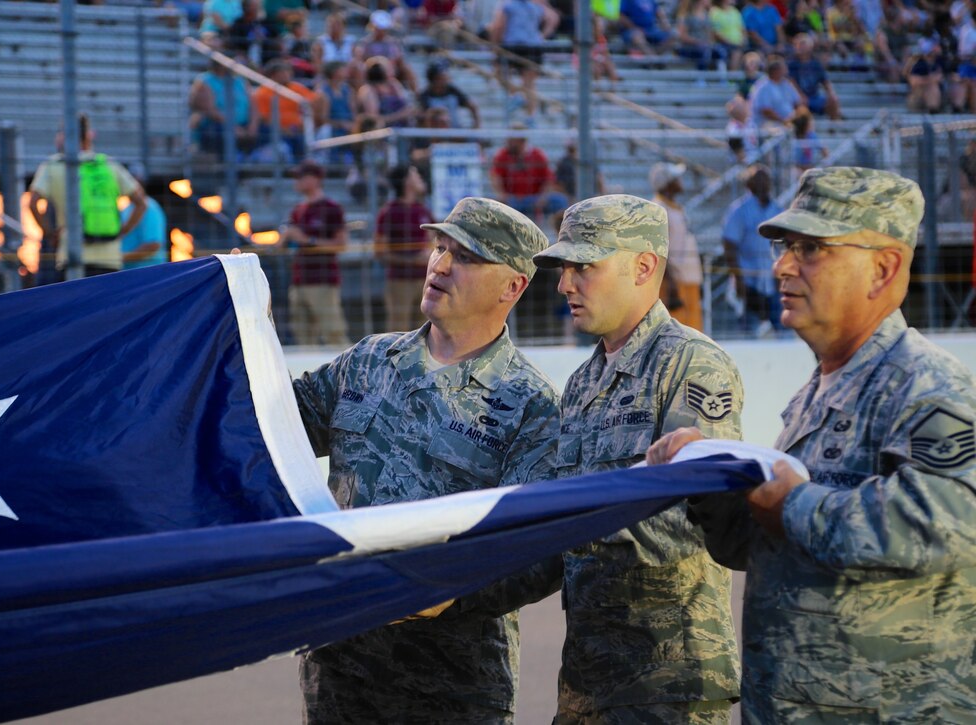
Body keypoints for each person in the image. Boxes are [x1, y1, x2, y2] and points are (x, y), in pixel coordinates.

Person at [648, 166, 976, 723]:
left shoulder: (926, 387)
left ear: (883, 267)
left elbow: (949, 523)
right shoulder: (816, 392)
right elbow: (765, 549)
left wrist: (794, 504)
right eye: (784, 247)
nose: (781, 265)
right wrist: (709, 481)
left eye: (811, 248)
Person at [297, 197, 560, 723]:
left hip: (452, 681)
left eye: (465, 257)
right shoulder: (369, 360)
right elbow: (270, 430)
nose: (439, 265)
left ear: (513, 287)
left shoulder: (530, 404)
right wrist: (236, 324)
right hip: (339, 665)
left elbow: (540, 551)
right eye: (439, 247)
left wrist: (448, 597)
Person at [532, 195, 742, 723]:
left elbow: (693, 518)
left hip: (670, 683)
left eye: (584, 266)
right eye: (564, 268)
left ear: (644, 266)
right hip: (588, 682)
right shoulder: (581, 383)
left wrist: (566, 519)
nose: (564, 284)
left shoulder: (692, 365)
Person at [28, 113, 145, 279]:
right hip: (110, 259)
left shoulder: (54, 165)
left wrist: (50, 234)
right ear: (89, 135)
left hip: (72, 255)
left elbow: (32, 203)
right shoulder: (109, 164)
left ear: (65, 135)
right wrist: (122, 231)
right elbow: (141, 203)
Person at [282, 160, 348, 346]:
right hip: (299, 280)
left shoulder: (331, 208)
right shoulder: (298, 210)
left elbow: (340, 245)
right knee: (302, 337)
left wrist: (306, 240)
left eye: (300, 177)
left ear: (315, 179)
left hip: (322, 281)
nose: (296, 181)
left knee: (333, 334)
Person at [722, 164, 783, 335]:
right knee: (750, 331)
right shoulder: (739, 211)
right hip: (749, 282)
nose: (763, 184)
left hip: (772, 281)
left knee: (781, 332)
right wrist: (738, 278)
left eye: (766, 180)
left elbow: (783, 244)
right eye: (759, 180)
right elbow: (729, 244)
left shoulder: (777, 209)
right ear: (749, 184)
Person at [374, 164, 433, 332]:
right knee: (398, 332)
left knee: (426, 331)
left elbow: (433, 243)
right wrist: (413, 260)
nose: (420, 178)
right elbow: (380, 251)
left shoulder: (423, 210)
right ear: (406, 181)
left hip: (425, 280)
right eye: (415, 174)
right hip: (399, 281)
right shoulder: (389, 212)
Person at [651, 162, 704, 330]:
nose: (680, 181)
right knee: (676, 334)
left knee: (693, 332)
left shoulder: (676, 208)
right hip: (673, 282)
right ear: (667, 183)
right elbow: (657, 249)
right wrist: (670, 281)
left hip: (688, 278)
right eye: (676, 178)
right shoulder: (658, 209)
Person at [489, 0, 559, 117]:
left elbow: (498, 26)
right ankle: (530, 118)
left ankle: (517, 96)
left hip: (513, 46)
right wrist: (542, 36)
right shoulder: (535, 5)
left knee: (498, 73)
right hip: (533, 47)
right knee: (530, 85)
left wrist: (495, 47)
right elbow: (553, 17)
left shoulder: (508, 5)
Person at [490, 126, 569, 222]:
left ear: (521, 141)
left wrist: (543, 197)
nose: (508, 142)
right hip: (512, 199)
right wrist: (501, 194)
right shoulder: (503, 154)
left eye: (512, 140)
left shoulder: (537, 155)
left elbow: (549, 179)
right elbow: (495, 176)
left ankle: (562, 232)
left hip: (534, 199)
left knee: (560, 201)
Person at [188, 57, 259, 157]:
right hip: (217, 125)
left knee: (265, 131)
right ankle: (230, 163)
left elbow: (253, 106)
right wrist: (233, 127)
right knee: (224, 134)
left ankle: (251, 160)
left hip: (243, 126)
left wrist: (253, 126)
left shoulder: (241, 80)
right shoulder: (204, 81)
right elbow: (210, 110)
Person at [253, 58, 319, 160]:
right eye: (283, 72)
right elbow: (264, 118)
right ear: (273, 75)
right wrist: (283, 129)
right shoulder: (263, 92)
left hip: (298, 129)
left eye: (288, 72)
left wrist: (306, 123)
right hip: (275, 131)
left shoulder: (296, 87)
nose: (288, 75)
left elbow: (313, 101)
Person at [120, 166, 168, 270]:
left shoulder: (151, 208)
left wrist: (120, 258)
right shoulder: (126, 208)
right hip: (129, 274)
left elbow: (153, 245)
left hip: (147, 275)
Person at [787, 33, 842, 120]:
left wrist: (831, 94)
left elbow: (825, 81)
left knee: (833, 101)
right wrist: (800, 95)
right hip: (798, 97)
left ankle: (834, 129)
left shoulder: (816, 64)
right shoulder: (792, 64)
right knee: (800, 103)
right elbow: (791, 82)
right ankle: (804, 129)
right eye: (800, 44)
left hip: (814, 96)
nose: (802, 47)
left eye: (804, 44)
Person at [418, 62, 481, 129]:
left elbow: (472, 106)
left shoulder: (453, 91)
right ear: (434, 80)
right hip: (435, 133)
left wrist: (476, 126)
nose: (446, 78)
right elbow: (422, 116)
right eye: (442, 77)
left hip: (455, 131)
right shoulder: (425, 95)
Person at [748, 56, 805, 128]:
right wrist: (784, 121)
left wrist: (796, 118)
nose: (786, 71)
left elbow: (797, 102)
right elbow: (766, 111)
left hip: (787, 123)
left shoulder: (786, 84)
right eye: (783, 69)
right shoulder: (763, 86)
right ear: (775, 71)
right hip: (766, 125)